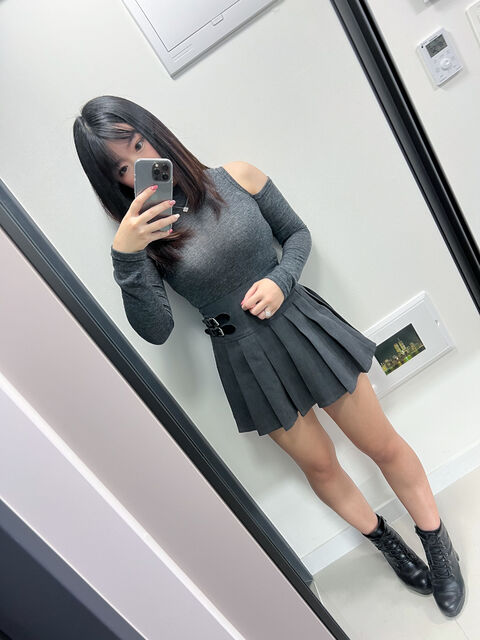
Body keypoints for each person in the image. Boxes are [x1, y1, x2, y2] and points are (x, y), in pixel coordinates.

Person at [73, 95, 465, 617]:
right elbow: (156, 331)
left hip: (302, 324)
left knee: (379, 443)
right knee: (320, 466)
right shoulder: (143, 242)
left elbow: (296, 233)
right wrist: (126, 256)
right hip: (245, 357)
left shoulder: (235, 176)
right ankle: (389, 545)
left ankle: (438, 545)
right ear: (112, 183)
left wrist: (281, 280)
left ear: (154, 131)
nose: (139, 165)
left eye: (139, 144)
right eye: (122, 168)